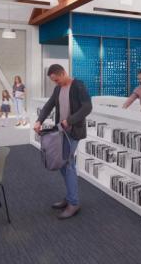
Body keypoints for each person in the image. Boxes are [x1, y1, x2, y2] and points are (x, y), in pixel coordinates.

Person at [34, 64, 92, 220]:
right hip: (61, 132)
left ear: (63, 73)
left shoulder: (78, 85)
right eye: (54, 81)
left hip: (74, 132)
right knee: (62, 164)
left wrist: (70, 120)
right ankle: (70, 196)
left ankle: (73, 203)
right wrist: (39, 120)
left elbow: (87, 107)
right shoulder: (58, 89)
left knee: (67, 164)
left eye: (57, 80)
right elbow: (49, 105)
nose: (56, 83)